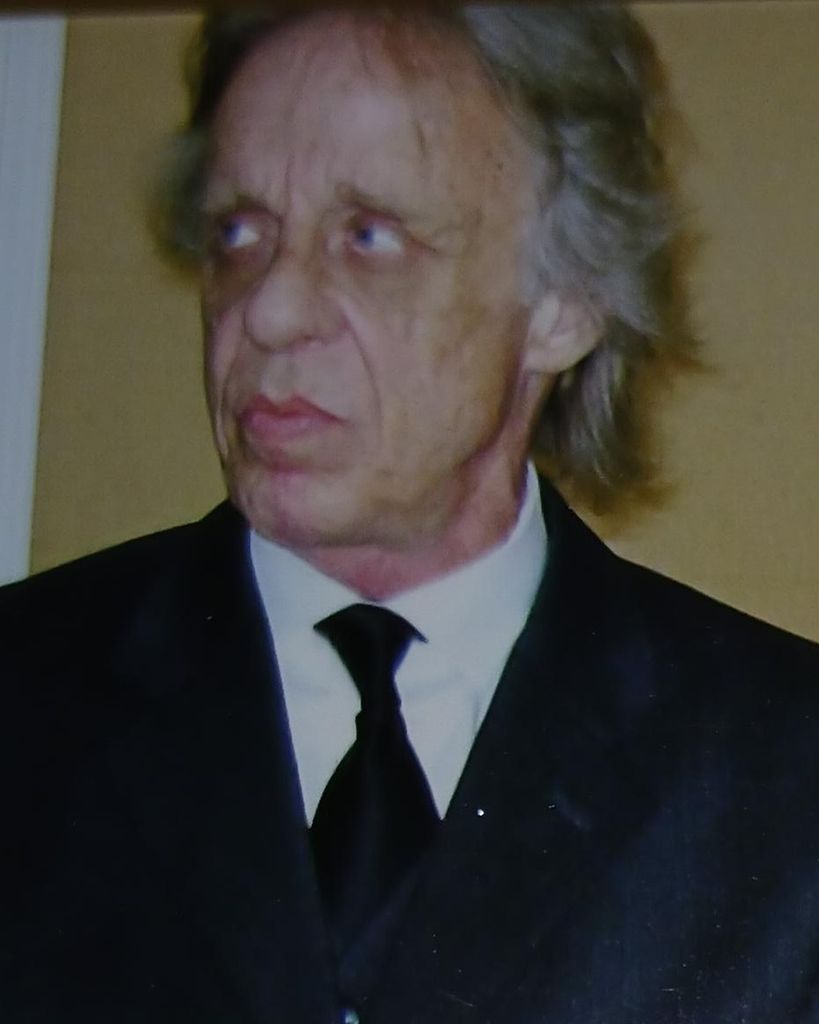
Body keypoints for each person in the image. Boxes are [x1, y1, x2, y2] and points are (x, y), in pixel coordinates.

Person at [3, 5, 819, 1023]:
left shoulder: (784, 772)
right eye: (239, 233)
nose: (268, 310)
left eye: (369, 237)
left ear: (564, 302)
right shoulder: (24, 696)